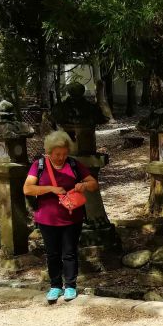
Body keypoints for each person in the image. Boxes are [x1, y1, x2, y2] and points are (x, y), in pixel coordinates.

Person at [23, 130, 98, 303]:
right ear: (49, 152)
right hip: (47, 218)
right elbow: (27, 189)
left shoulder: (73, 164)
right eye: (57, 154)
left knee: (70, 252)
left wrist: (83, 185)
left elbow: (93, 184)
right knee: (52, 254)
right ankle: (55, 285)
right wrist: (50, 188)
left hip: (72, 217)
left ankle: (70, 285)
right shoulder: (39, 165)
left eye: (64, 154)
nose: (61, 157)